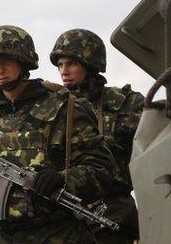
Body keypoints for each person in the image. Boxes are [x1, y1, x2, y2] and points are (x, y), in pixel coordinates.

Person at [0, 25, 116, 243]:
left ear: (23, 61)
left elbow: (101, 169)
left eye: (6, 60)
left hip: (52, 234)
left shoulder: (65, 106)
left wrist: (63, 179)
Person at [50, 29, 145, 243]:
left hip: (113, 212)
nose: (64, 71)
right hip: (64, 211)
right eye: (60, 65)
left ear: (90, 64)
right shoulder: (53, 106)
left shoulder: (125, 103)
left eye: (71, 64)